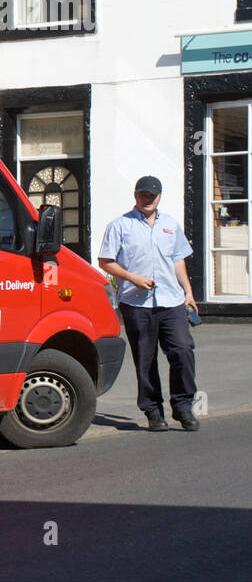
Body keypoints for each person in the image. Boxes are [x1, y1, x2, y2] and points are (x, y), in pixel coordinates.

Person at [97, 176, 199, 432]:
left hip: (171, 301)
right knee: (145, 359)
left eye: (152, 195)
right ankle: (153, 411)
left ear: (159, 196)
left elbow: (178, 261)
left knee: (183, 350)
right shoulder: (120, 225)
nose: (147, 199)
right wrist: (133, 278)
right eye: (143, 194)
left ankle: (183, 406)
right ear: (135, 195)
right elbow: (105, 261)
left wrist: (188, 293)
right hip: (136, 304)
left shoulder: (170, 225)